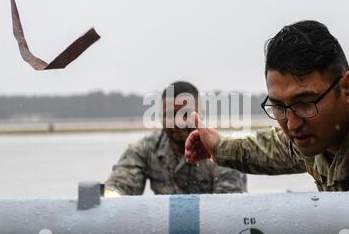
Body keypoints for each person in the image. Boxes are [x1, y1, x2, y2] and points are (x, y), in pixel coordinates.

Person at [185, 20, 349, 191]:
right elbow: (273, 147)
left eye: (304, 103)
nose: (292, 125)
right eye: (279, 106)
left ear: (348, 90)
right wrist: (217, 147)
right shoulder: (316, 127)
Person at [105, 81, 247, 195]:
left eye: (187, 114)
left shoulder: (221, 150)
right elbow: (120, 186)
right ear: (161, 117)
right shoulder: (146, 150)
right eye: (171, 115)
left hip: (210, 228)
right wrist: (108, 197)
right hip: (162, 226)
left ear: (201, 115)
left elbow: (230, 204)